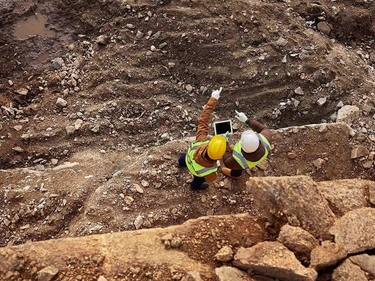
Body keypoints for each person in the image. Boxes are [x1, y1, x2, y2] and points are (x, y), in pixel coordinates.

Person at [178, 87, 227, 190]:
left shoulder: (201, 141)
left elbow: (203, 120)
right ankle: (194, 187)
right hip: (197, 173)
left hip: (188, 159)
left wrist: (213, 98)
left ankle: (180, 163)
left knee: (183, 159)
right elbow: (210, 179)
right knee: (198, 182)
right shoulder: (211, 170)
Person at [221, 110, 272, 178]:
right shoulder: (266, 140)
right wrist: (247, 120)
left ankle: (235, 175)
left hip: (241, 163)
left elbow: (227, 162)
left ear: (241, 146)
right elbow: (263, 128)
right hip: (254, 159)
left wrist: (225, 143)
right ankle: (235, 154)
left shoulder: (239, 160)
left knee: (237, 168)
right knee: (239, 164)